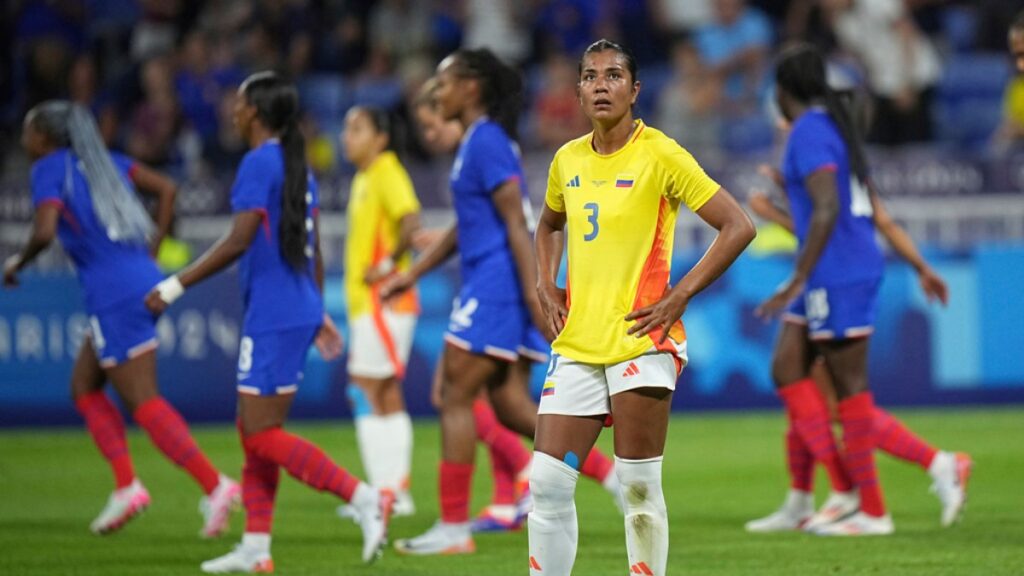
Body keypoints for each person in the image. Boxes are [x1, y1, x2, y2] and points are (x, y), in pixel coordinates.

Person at [143, 71, 392, 572]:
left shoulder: (259, 162)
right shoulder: (294, 163)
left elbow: (238, 240)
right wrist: (316, 308)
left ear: (254, 112)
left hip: (276, 314)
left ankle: (363, 497)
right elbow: (314, 245)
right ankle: (256, 548)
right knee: (252, 428)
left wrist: (174, 284)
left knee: (259, 435)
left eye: (238, 103)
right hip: (292, 307)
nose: (232, 112)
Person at [531, 39, 755, 576]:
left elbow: (738, 226)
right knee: (546, 484)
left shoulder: (661, 153)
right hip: (579, 341)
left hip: (641, 338)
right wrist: (545, 281)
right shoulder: (567, 159)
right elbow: (548, 224)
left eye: (613, 76)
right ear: (579, 90)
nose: (600, 85)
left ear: (635, 89)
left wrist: (679, 296)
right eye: (589, 76)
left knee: (636, 484)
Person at [383, 48, 617, 555]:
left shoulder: (485, 140)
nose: (437, 91)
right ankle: (609, 473)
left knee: (454, 396)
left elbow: (516, 222)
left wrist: (538, 291)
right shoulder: (480, 141)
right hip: (495, 282)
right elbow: (470, 226)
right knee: (511, 406)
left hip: (494, 284)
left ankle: (452, 527)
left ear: (471, 88)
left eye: (444, 83)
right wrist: (415, 273)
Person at [3, 101, 240, 538]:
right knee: (85, 386)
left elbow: (44, 230)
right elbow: (168, 188)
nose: (23, 139)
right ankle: (127, 485)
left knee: (144, 401)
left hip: (114, 293)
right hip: (135, 280)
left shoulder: (49, 169)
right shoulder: (106, 162)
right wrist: (151, 252)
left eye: (28, 131)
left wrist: (17, 263)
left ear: (46, 137)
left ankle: (215, 485)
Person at [750, 42, 959, 537]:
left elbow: (827, 212)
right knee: (791, 370)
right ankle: (825, 496)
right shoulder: (827, 133)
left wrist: (796, 276)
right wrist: (786, 197)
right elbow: (845, 210)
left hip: (833, 271)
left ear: (781, 93)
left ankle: (873, 501)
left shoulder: (810, 133)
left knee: (847, 393)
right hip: (834, 267)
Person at [337, 105, 422, 518]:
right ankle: (394, 493)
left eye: (357, 128)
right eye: (346, 129)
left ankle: (380, 495)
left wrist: (387, 266)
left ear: (381, 138)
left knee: (364, 391)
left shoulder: (386, 171)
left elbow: (411, 221)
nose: (346, 136)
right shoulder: (364, 177)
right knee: (385, 393)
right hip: (377, 304)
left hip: (382, 301)